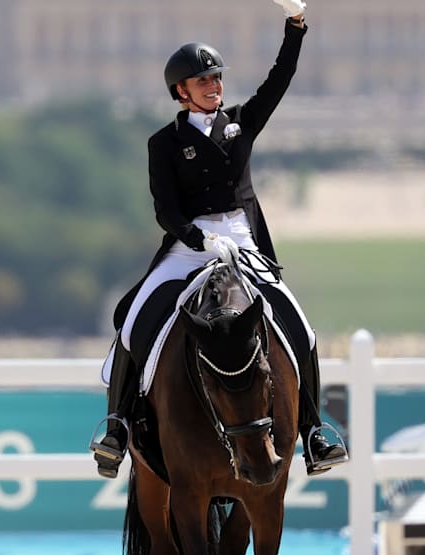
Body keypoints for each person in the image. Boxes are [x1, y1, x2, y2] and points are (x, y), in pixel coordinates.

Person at [90, 0, 347, 480]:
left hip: (242, 237)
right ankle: (117, 426)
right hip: (190, 244)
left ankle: (314, 431)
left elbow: (279, 80)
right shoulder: (162, 144)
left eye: (217, 79)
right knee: (131, 319)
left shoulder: (240, 123)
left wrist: (296, 25)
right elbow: (165, 208)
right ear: (181, 91)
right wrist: (197, 238)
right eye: (204, 81)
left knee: (302, 329)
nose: (215, 86)